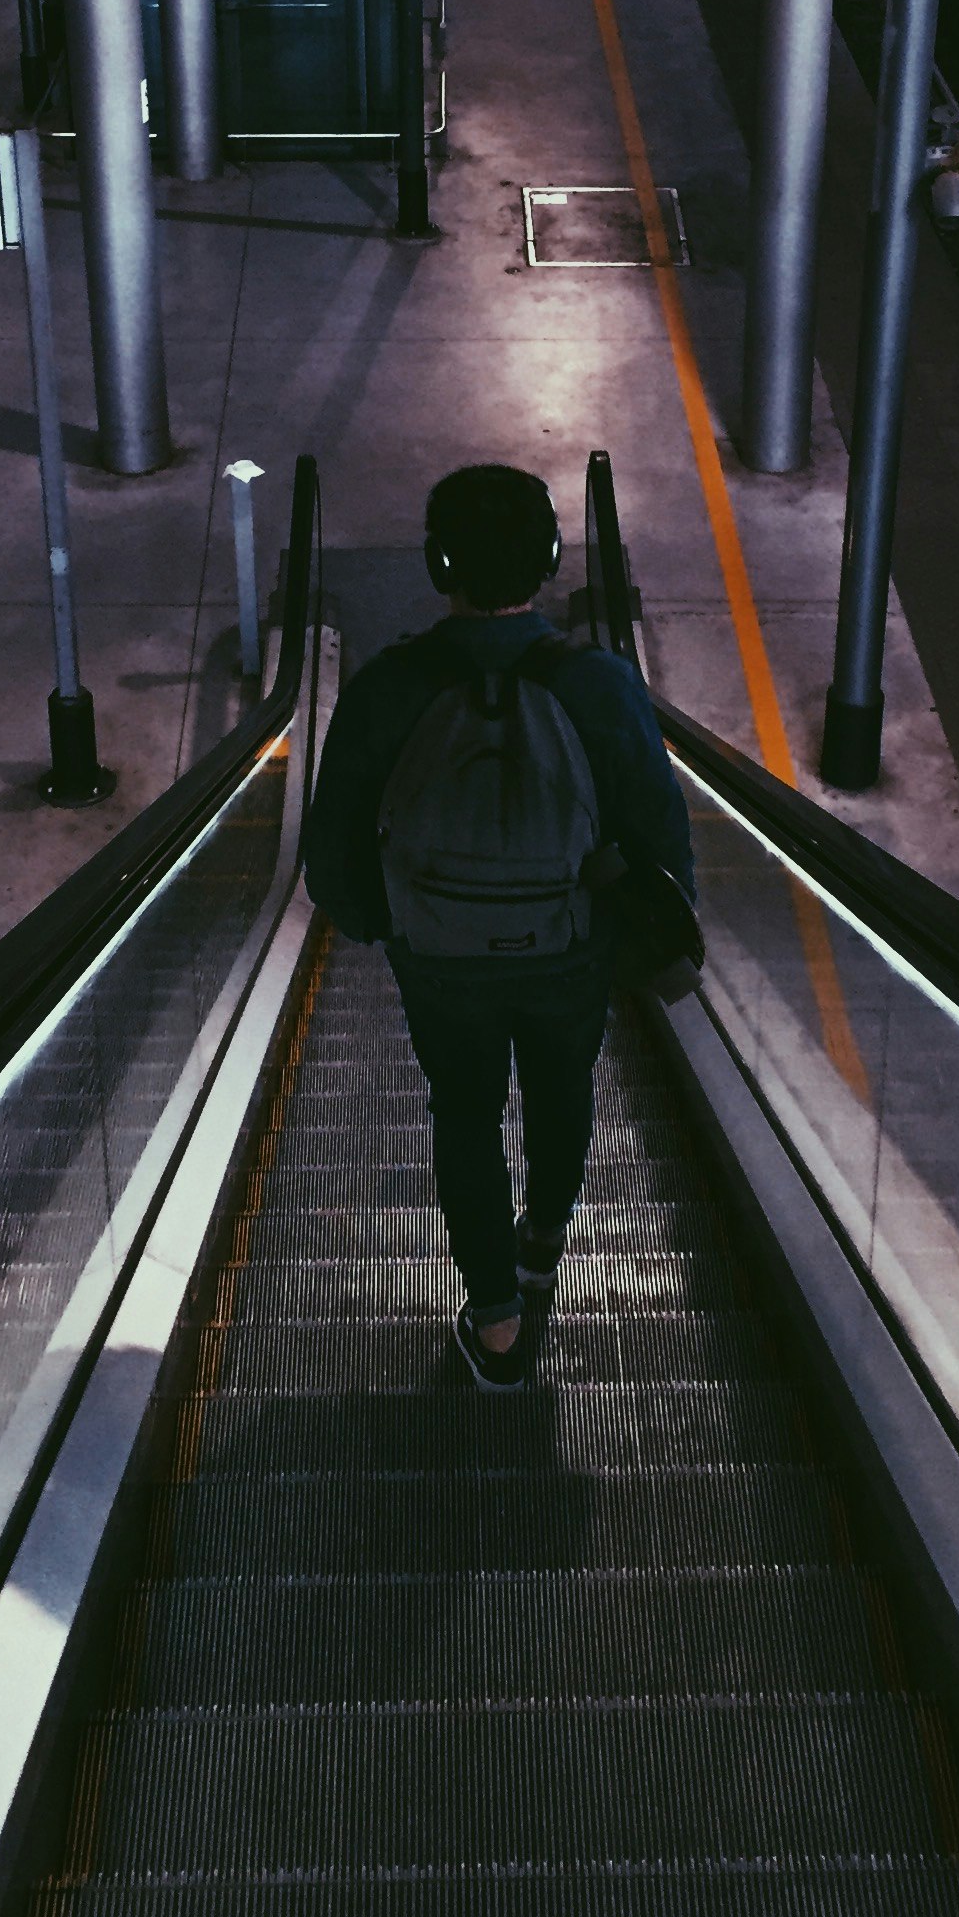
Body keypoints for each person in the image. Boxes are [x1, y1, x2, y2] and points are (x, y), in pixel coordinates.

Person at [304, 465, 694, 1388]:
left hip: (439, 956)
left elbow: (332, 853)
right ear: (552, 560)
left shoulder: (387, 688)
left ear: (438, 564)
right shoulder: (599, 684)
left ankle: (497, 1326)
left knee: (466, 1114)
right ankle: (546, 1234)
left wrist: (384, 924)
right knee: (563, 1086)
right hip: (568, 949)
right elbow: (660, 833)